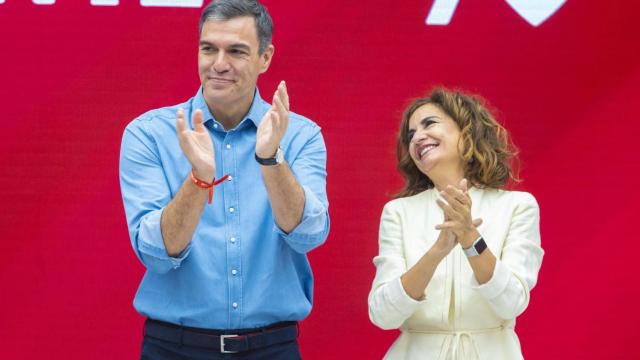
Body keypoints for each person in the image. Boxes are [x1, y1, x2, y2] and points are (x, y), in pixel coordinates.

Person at [119, 1, 329, 358]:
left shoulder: (300, 135)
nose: (218, 64)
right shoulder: (149, 133)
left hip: (271, 348)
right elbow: (155, 252)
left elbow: (308, 234)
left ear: (265, 58)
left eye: (236, 51)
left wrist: (270, 158)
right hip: (175, 347)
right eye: (208, 49)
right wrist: (200, 178)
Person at [368, 88, 543, 359]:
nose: (418, 138)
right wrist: (438, 250)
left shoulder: (517, 206)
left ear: (467, 131)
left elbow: (512, 303)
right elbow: (383, 315)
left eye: (430, 124)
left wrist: (470, 238)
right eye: (411, 135)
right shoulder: (398, 212)